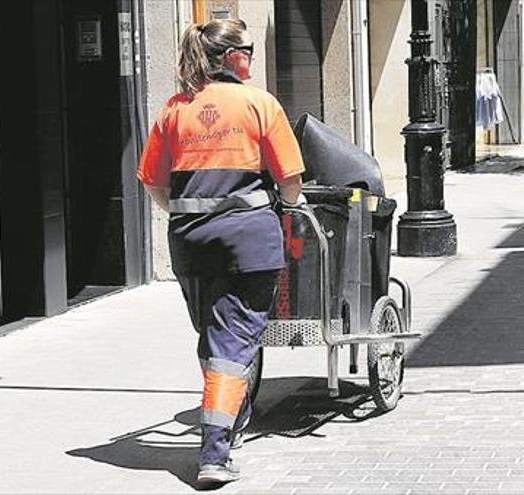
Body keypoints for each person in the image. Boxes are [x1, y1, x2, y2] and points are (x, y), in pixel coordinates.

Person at [136, 18, 305, 485]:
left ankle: (234, 420)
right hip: (248, 242)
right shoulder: (258, 104)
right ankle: (215, 452)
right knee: (231, 345)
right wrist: (287, 206)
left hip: (190, 243)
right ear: (233, 57)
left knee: (214, 338)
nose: (251, 56)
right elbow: (290, 181)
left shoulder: (174, 108)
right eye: (248, 49)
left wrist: (188, 211)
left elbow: (153, 183)